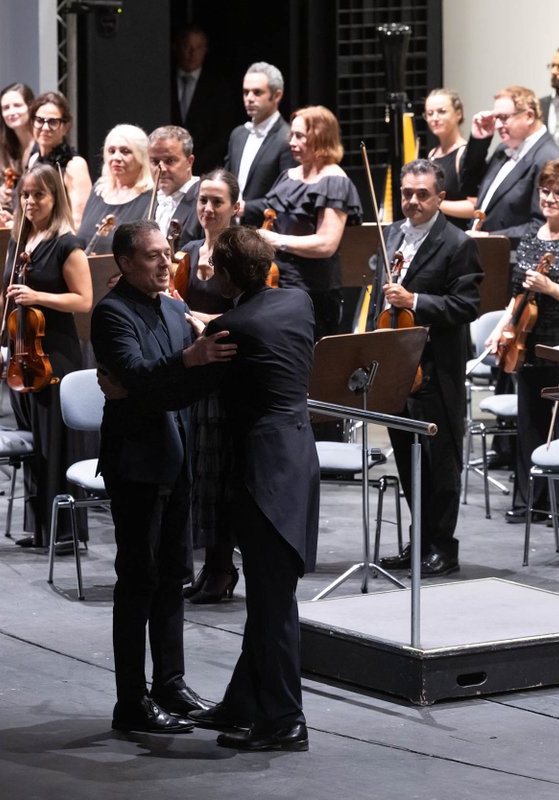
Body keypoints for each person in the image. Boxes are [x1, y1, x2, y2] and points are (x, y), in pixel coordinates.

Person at [90, 220, 232, 734]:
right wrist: (186, 363)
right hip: (136, 464)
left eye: (166, 253)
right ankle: (131, 700)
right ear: (125, 263)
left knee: (173, 576)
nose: (164, 262)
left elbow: (171, 387)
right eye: (151, 256)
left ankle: (169, 683)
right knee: (138, 581)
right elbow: (139, 378)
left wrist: (181, 370)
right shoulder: (110, 314)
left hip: (178, 457)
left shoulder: (176, 309)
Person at [185, 225, 319, 752]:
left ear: (221, 275)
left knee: (273, 603)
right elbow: (247, 322)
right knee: (268, 598)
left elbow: (204, 363)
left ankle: (287, 721)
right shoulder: (298, 302)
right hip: (297, 458)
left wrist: (198, 329)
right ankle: (242, 704)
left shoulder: (231, 326)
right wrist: (212, 324)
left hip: (264, 474)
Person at [375, 161, 482, 577]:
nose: (413, 201)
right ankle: (419, 542)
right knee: (406, 459)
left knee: (439, 464)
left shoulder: (457, 244)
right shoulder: (392, 235)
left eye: (422, 194)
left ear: (440, 198)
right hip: (399, 365)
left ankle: (443, 547)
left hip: (437, 369)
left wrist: (415, 301)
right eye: (406, 193)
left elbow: (467, 306)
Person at [0, 164, 92, 549]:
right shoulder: (19, 241)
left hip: (55, 356)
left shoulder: (68, 243)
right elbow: (4, 297)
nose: (30, 202)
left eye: (39, 195)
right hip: (20, 353)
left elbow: (83, 300)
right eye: (25, 196)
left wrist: (39, 297)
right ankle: (40, 528)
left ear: (55, 198)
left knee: (58, 443)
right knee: (34, 443)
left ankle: (66, 533)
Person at [484, 157, 559, 525]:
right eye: (545, 191)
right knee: (530, 422)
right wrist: (502, 327)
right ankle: (532, 499)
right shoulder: (532, 236)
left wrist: (550, 287)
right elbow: (517, 293)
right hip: (526, 341)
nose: (550, 198)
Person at [173, 169, 243, 605]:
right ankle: (209, 569)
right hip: (195, 372)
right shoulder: (188, 253)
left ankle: (222, 568)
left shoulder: (242, 255)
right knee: (198, 474)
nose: (208, 209)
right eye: (202, 200)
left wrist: (204, 321)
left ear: (236, 207)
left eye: (217, 201)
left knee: (220, 476)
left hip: (226, 375)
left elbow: (253, 312)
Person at [245, 105, 361, 340]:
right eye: (292, 135)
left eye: (300, 136)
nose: (292, 142)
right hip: (276, 282)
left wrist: (277, 240)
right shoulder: (289, 176)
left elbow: (326, 244)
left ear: (320, 138)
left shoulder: (334, 181)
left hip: (312, 291)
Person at [460, 85, 559, 240]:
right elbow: (469, 188)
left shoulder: (550, 160)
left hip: (511, 259)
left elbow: (541, 226)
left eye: (504, 118)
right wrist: (479, 141)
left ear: (529, 116)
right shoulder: (503, 149)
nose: (498, 125)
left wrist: (489, 237)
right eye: (496, 118)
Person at [76, 124, 153, 255]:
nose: (116, 158)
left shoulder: (151, 196)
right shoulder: (98, 190)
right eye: (111, 151)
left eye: (125, 151)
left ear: (142, 156)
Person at [224, 62, 296, 202]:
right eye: (246, 92)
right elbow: (228, 181)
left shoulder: (287, 138)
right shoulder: (238, 135)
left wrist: (245, 209)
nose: (249, 98)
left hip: (266, 223)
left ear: (277, 96)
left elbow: (286, 196)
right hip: (233, 223)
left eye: (257, 92)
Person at [170, 24, 233, 172]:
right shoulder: (164, 82)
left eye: (198, 47)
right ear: (176, 47)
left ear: (205, 50)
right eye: (187, 46)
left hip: (205, 169)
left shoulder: (218, 87)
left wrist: (193, 163)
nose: (192, 53)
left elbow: (222, 134)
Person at [26, 91, 92, 227]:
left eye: (53, 122)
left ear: (66, 126)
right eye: (39, 120)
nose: (45, 127)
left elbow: (80, 219)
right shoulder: (33, 159)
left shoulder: (74, 165)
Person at [423, 88, 471, 228]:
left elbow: (475, 207)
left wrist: (435, 204)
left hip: (457, 236)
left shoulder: (463, 154)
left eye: (442, 111)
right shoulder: (432, 153)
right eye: (430, 114)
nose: (435, 118)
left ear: (458, 114)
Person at [149, 125, 202, 251]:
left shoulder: (204, 199)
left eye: (170, 160)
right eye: (155, 162)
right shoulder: (147, 198)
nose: (161, 169)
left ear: (190, 161)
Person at [0, 82, 34, 208]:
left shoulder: (42, 148)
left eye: (17, 105)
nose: (11, 112)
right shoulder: (7, 151)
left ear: (30, 106)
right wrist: (1, 198)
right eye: (6, 108)